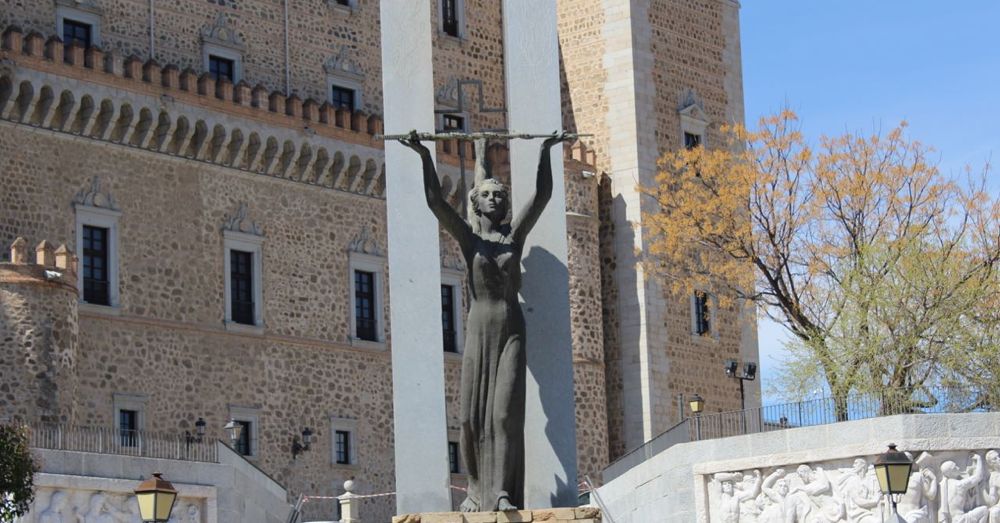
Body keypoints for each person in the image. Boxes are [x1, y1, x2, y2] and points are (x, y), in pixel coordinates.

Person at [399, 130, 571, 512]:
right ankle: (477, 492)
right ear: (476, 204)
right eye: (488, 193)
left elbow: (542, 196)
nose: (495, 197)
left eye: (500, 194)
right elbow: (435, 201)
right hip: (478, 333)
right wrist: (424, 155)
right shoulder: (469, 240)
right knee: (470, 420)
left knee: (504, 414)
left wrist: (545, 151)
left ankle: (502, 492)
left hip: (510, 330)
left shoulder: (514, 238)